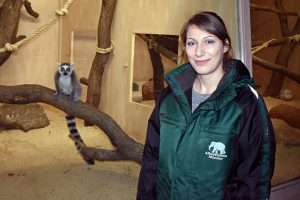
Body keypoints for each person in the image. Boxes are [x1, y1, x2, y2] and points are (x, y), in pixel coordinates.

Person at [136, 11, 276, 200]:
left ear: (225, 45)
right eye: (192, 43)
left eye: (209, 41)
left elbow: (254, 178)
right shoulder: (169, 98)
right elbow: (151, 161)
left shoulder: (246, 103)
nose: (199, 52)